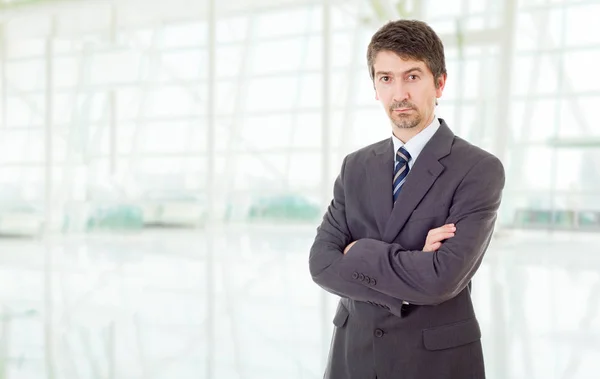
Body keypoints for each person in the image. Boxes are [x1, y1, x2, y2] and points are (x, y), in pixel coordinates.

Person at [308, 19, 505, 379]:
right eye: (386, 78)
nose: (399, 93)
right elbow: (321, 264)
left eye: (412, 76)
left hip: (434, 363)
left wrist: (358, 252)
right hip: (354, 358)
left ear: (439, 83)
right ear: (375, 87)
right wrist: (414, 258)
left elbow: (441, 279)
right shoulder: (355, 166)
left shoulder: (478, 170)